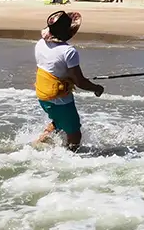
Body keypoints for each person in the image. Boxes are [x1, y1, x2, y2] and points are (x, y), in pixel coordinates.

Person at [33, 10, 104, 151]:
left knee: (58, 121)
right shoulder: (68, 52)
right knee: (75, 134)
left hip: (43, 95)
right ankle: (70, 157)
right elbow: (80, 82)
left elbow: (53, 68)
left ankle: (39, 142)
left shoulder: (40, 43)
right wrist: (97, 88)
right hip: (60, 99)